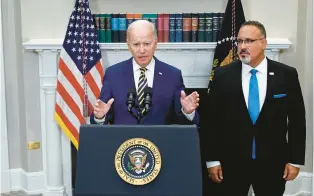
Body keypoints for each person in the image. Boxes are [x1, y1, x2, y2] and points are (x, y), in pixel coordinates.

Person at [202, 20, 306, 196]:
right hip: (231, 163)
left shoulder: (286, 75)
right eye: (240, 41)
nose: (243, 46)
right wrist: (212, 160)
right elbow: (211, 122)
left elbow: (297, 120)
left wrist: (295, 161)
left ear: (263, 43)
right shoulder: (222, 75)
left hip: (273, 163)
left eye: (249, 41)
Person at [90, 20, 199, 125]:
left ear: (155, 44)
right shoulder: (113, 74)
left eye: (147, 44)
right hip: (123, 142)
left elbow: (184, 122)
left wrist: (188, 112)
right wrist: (100, 117)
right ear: (128, 46)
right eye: (136, 44)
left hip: (160, 142)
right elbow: (101, 113)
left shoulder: (172, 75)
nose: (142, 50)